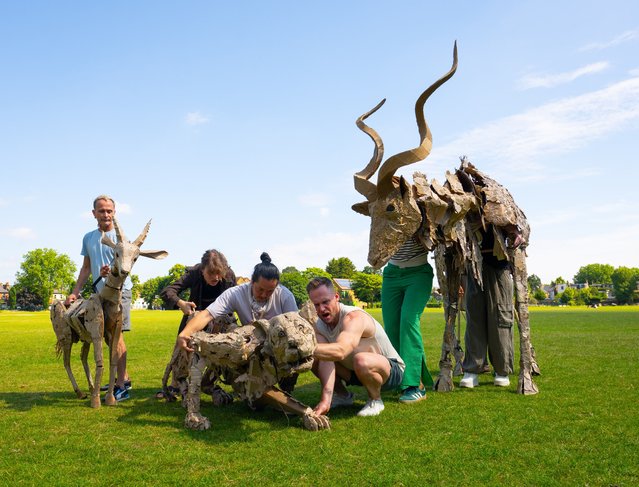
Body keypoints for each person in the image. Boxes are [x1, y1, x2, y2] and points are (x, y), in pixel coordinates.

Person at [177, 252, 299, 391]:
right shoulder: (235, 293)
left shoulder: (285, 296)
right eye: (260, 289)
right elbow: (207, 314)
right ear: (251, 282)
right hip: (252, 348)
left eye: (270, 291)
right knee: (254, 403)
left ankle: (287, 386)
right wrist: (185, 333)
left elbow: (295, 329)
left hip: (280, 348)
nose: (264, 295)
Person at [65, 194, 132, 401]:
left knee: (116, 337)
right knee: (106, 336)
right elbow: (86, 268)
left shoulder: (122, 239)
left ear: (114, 212)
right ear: (94, 213)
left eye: (109, 210)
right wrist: (75, 292)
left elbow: (125, 268)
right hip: (98, 294)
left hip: (119, 293)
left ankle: (121, 386)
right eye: (101, 211)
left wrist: (111, 271)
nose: (106, 214)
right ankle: (122, 378)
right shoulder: (88, 238)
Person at [307, 277, 405, 417]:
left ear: (336, 297)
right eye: (316, 305)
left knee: (361, 359)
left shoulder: (353, 317)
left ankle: (375, 400)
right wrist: (325, 400)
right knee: (315, 359)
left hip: (390, 371)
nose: (321, 309)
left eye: (325, 302)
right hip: (354, 371)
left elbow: (341, 350)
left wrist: (304, 349)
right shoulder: (318, 325)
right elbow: (325, 360)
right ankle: (343, 396)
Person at [459, 225, 518, 388]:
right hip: (473, 266)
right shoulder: (468, 209)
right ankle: (472, 369)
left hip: (498, 266)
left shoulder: (502, 204)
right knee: (474, 320)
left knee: (500, 319)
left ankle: (502, 370)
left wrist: (515, 234)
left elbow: (516, 228)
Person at [381, 236, 433, 403]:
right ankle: (399, 378)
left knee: (409, 321)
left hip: (418, 272)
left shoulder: (424, 211)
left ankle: (415, 385)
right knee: (391, 327)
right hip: (391, 274)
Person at [160, 249, 237, 334]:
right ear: (202, 269)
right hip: (195, 322)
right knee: (182, 344)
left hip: (223, 323)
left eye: (219, 272)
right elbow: (167, 291)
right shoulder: (194, 273)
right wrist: (181, 303)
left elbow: (237, 299)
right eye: (211, 272)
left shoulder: (229, 275)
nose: (216, 277)